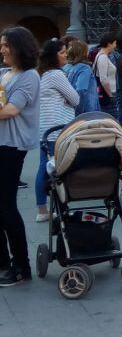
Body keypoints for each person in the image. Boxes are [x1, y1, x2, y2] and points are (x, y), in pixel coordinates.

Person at [0, 26, 40, 286]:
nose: (2, 49)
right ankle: (3, 262)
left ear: (19, 48)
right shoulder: (4, 73)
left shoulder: (29, 76)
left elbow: (11, 110)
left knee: (6, 206)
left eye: (6, 45)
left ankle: (21, 266)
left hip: (11, 147)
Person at [35, 39, 79, 222]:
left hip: (45, 129)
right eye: (62, 52)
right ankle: (61, 208)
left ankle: (42, 210)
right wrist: (67, 100)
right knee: (59, 170)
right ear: (54, 56)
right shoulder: (56, 75)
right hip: (58, 130)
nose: (66, 55)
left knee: (44, 168)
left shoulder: (43, 74)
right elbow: (75, 99)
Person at [63, 38, 99, 115]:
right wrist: (78, 110)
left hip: (68, 110)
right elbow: (81, 90)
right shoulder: (84, 68)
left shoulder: (65, 67)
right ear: (83, 52)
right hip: (87, 111)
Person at [93, 32, 118, 116]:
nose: (115, 45)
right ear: (109, 44)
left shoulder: (101, 56)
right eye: (114, 43)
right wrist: (111, 96)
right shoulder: (103, 57)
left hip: (106, 93)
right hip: (108, 94)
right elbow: (103, 79)